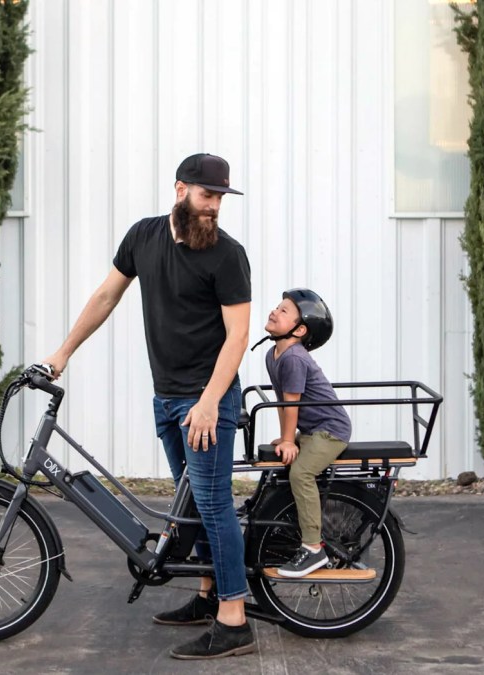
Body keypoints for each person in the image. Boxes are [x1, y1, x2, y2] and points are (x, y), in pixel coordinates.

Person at [42, 153, 255, 660]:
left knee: (212, 501)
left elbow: (238, 335)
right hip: (168, 398)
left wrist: (207, 403)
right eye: (207, 196)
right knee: (191, 505)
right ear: (180, 190)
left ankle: (234, 618)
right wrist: (62, 353)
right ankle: (206, 595)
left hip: (208, 399)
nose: (214, 208)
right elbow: (105, 297)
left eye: (221, 199)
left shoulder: (228, 255)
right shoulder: (144, 237)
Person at [254, 288, 352, 578]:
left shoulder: (294, 357)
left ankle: (313, 548)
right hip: (311, 430)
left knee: (301, 473)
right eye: (277, 306)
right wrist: (285, 438)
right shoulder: (274, 354)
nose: (274, 311)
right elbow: (283, 402)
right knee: (278, 461)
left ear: (299, 329)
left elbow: (292, 403)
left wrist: (288, 439)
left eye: (284, 311)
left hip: (330, 431)